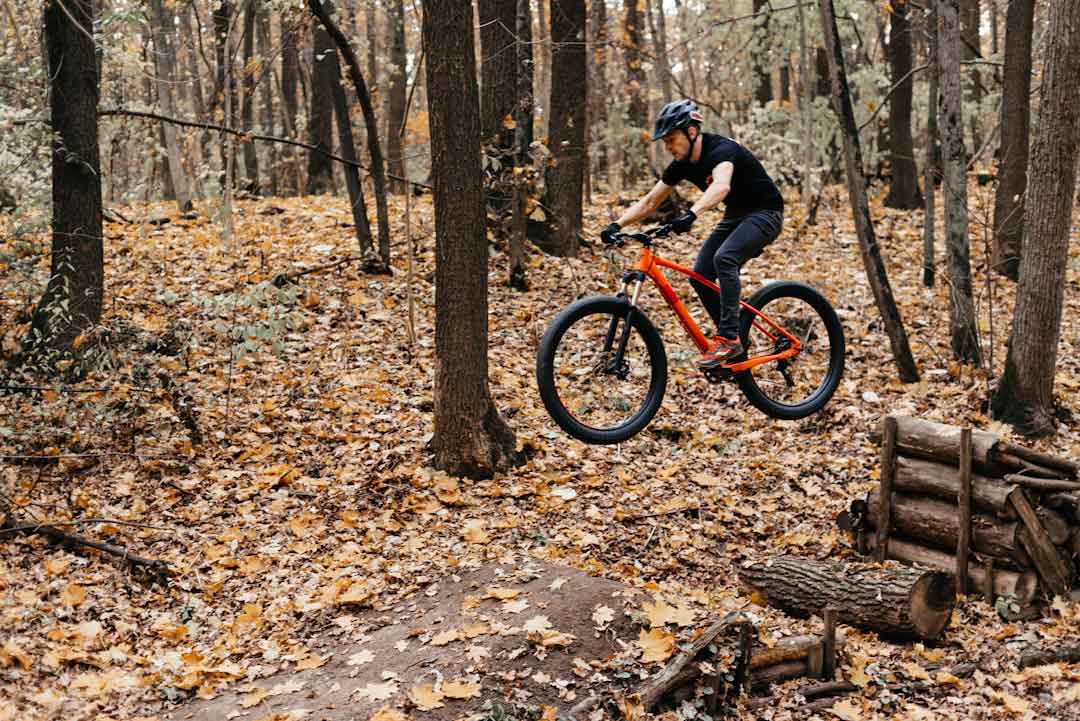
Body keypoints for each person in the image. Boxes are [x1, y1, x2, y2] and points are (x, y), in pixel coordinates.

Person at [601, 100, 785, 369]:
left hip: (766, 213)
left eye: (671, 139)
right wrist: (617, 225)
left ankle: (729, 339)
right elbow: (650, 201)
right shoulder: (682, 163)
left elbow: (721, 186)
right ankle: (731, 338)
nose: (668, 147)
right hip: (735, 215)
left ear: (691, 131)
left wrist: (692, 213)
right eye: (665, 142)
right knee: (700, 275)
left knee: (725, 259)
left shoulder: (721, 150)